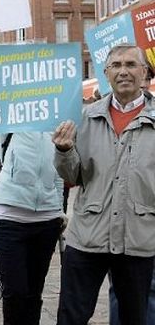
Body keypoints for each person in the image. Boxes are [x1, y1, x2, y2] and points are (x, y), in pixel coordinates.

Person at [52, 44, 155, 325]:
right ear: (106, 73)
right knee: (71, 315)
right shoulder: (86, 117)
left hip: (138, 239)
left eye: (131, 65)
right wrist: (63, 150)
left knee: (135, 317)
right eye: (117, 65)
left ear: (144, 73)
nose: (124, 71)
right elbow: (73, 175)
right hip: (88, 236)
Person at [0, 132, 64, 324]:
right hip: (8, 217)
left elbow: (60, 170)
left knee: (33, 293)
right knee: (15, 293)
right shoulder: (14, 117)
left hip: (47, 219)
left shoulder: (58, 120)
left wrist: (59, 208)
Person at [109, 68, 155, 325]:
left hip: (146, 221)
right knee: (122, 290)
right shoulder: (100, 115)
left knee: (147, 291)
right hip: (123, 223)